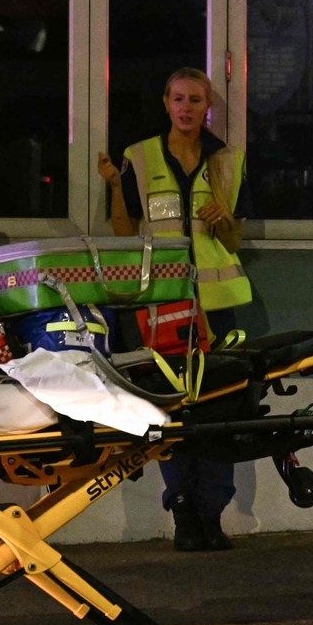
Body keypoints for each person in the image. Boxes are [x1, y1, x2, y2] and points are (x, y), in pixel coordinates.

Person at [97, 67, 252, 552]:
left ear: (208, 107)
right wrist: (115, 186)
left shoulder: (227, 160)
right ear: (166, 102)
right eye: (179, 98)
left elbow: (233, 242)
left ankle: (213, 512)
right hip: (162, 303)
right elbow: (124, 235)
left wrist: (224, 217)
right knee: (169, 409)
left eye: (196, 100)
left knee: (219, 408)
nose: (187, 108)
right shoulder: (137, 158)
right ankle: (183, 507)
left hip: (216, 306)